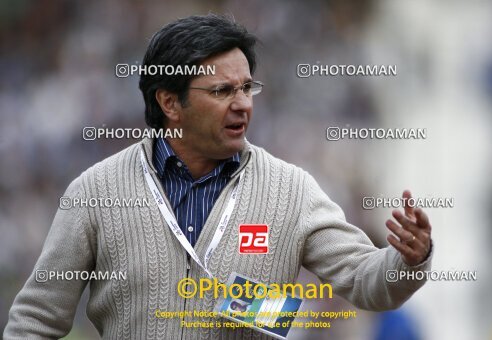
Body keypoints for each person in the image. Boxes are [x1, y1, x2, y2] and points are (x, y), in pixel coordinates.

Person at [4, 14, 433, 340]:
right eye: (222, 91)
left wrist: (408, 260)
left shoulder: (291, 189)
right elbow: (35, 320)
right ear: (169, 102)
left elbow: (365, 281)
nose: (243, 104)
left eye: (247, 88)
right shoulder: (96, 192)